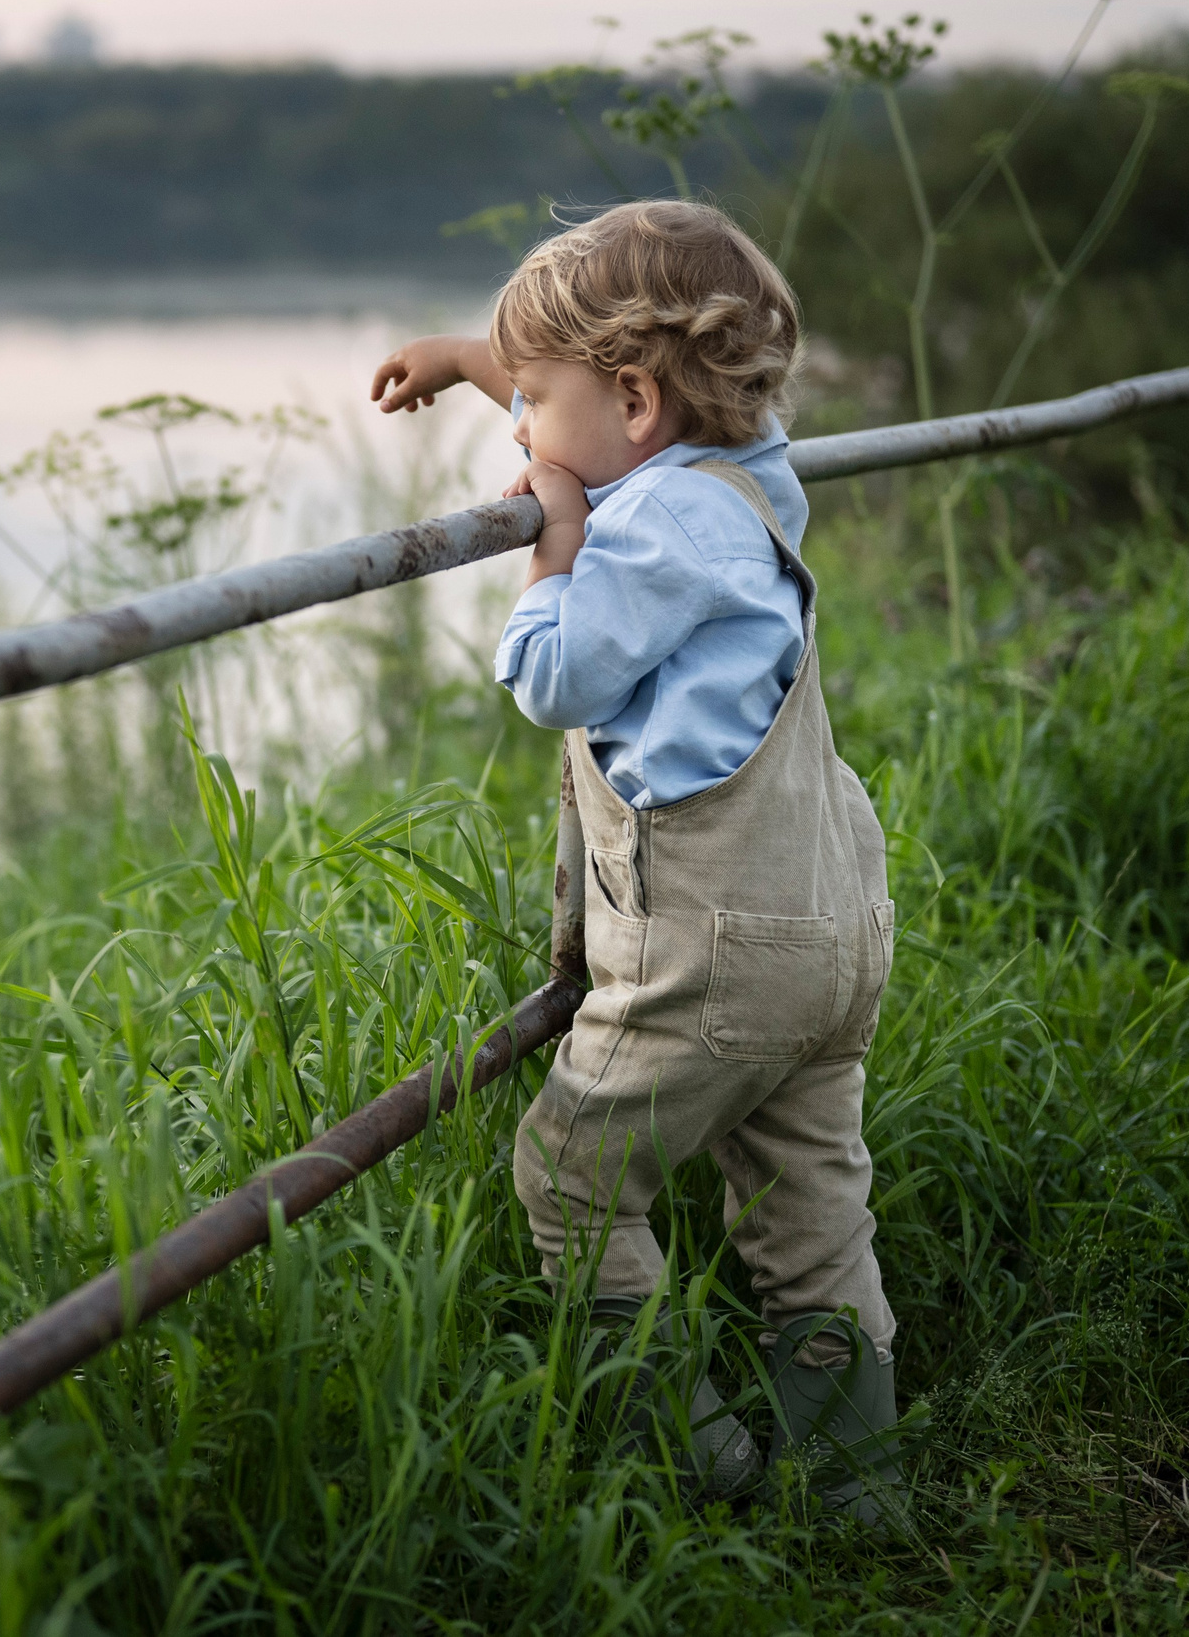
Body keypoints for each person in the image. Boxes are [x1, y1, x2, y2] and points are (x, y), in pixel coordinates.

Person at [370, 200, 900, 1518]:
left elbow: (555, 677)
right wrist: (474, 358)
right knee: (809, 1214)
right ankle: (855, 1486)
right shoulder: (749, 473)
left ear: (634, 405)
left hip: (713, 955)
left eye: (530, 403)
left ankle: (691, 1459)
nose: (522, 434)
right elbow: (607, 407)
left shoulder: (655, 532)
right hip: (827, 932)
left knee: (570, 1176)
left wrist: (553, 544)